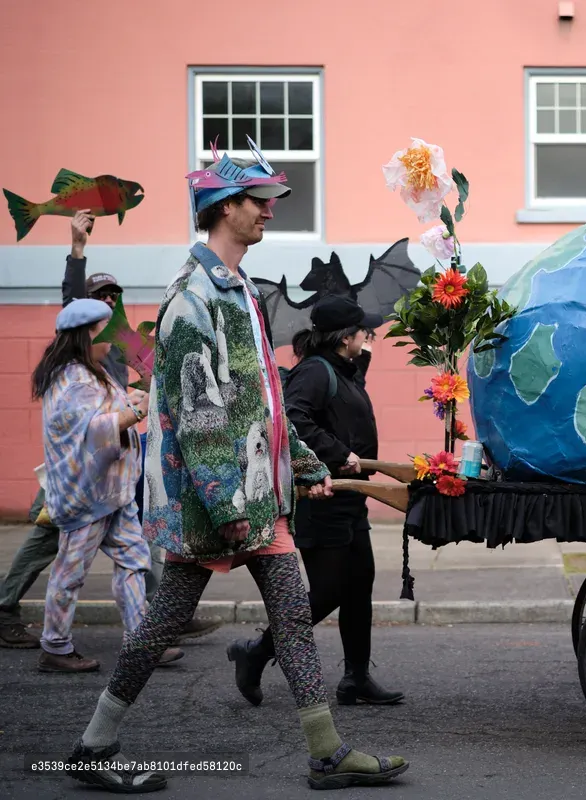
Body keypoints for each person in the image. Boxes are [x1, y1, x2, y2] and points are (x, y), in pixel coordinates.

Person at [62, 144, 408, 793]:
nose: (268, 212)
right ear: (223, 209)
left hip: (254, 497)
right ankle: (93, 745)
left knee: (292, 618)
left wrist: (303, 466)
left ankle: (325, 751)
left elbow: (262, 402)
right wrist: (229, 509)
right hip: (218, 505)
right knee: (167, 621)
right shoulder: (193, 299)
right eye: (258, 202)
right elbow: (198, 419)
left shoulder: (236, 288)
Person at [0, 212, 221, 649]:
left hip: (117, 470)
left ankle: (157, 620)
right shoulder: (75, 357)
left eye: (114, 295)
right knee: (54, 543)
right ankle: (14, 610)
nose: (110, 301)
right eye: (102, 296)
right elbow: (93, 421)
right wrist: (77, 251)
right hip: (79, 473)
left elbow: (158, 374)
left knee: (133, 548)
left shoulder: (119, 341)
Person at [228, 294, 405, 707]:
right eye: (363, 331)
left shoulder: (343, 369)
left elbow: (341, 405)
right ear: (345, 337)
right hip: (322, 498)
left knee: (360, 585)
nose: (369, 335)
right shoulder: (315, 371)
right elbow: (292, 418)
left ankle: (356, 678)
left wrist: (360, 359)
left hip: (350, 497)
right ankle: (255, 653)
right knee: (327, 592)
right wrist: (338, 453)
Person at [31, 299, 184, 672]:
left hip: (111, 492)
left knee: (134, 561)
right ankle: (55, 647)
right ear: (85, 335)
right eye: (104, 333)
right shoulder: (73, 380)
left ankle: (142, 642)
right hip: (88, 496)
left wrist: (130, 400)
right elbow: (94, 430)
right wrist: (138, 411)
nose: (112, 342)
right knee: (70, 571)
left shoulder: (89, 372)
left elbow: (104, 411)